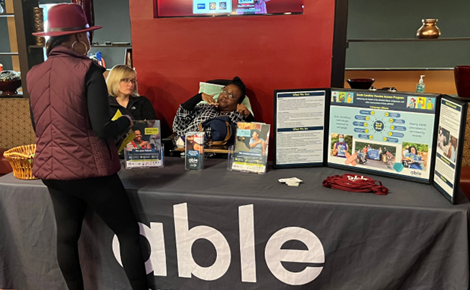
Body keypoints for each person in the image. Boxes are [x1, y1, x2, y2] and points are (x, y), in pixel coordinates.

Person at [27, 4, 149, 290]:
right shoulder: (89, 70)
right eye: (87, 35)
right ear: (77, 38)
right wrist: (127, 121)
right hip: (91, 171)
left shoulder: (34, 73)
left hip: (52, 171)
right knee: (128, 232)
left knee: (67, 236)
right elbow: (102, 127)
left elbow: (39, 127)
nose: (89, 42)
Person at [172, 76, 255, 139]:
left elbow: (255, 136)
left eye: (232, 96)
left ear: (238, 103)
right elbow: (179, 125)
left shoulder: (237, 117)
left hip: (215, 155)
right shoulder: (204, 107)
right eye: (225, 91)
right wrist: (199, 97)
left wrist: (248, 116)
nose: (225, 95)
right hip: (183, 148)